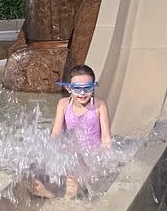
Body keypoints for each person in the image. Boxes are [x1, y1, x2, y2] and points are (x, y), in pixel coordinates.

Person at [33, 64, 113, 200]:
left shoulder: (99, 105)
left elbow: (106, 139)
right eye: (77, 89)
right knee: (32, 172)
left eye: (87, 88)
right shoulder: (64, 104)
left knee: (74, 173)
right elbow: (56, 134)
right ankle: (52, 193)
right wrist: (49, 155)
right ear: (68, 88)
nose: (82, 93)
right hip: (70, 156)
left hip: (90, 158)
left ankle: (63, 199)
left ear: (93, 87)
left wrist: (105, 162)